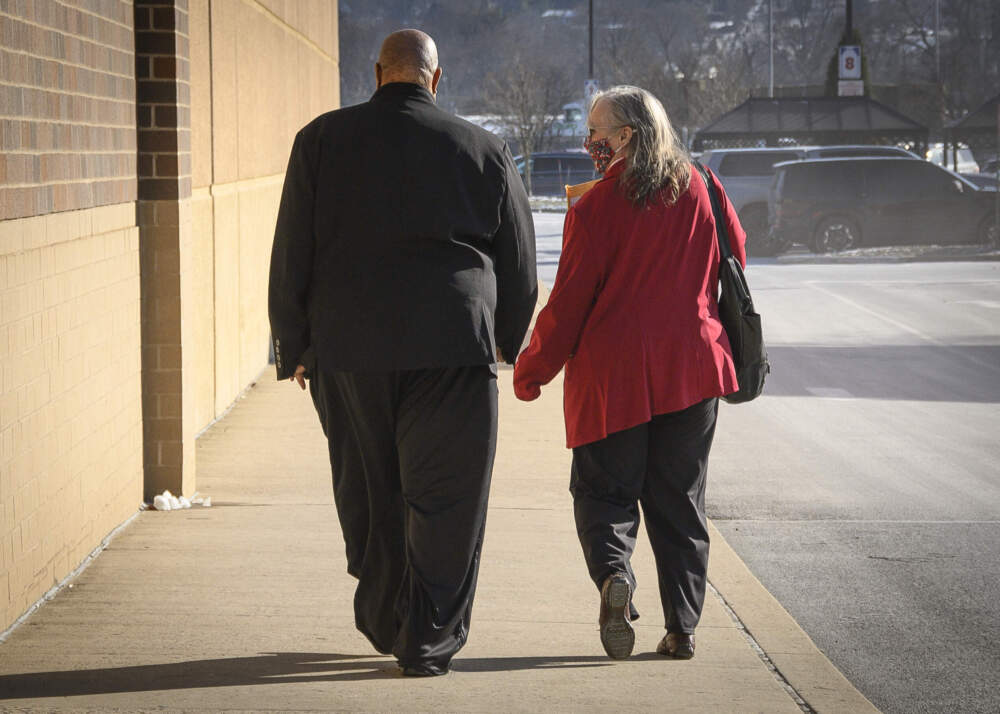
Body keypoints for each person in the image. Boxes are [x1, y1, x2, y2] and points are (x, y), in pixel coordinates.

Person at [268, 29, 537, 677]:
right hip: (452, 348)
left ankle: (388, 613)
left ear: (376, 73)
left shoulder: (321, 140)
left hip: (348, 348)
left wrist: (294, 345)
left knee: (370, 487)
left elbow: (291, 251)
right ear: (436, 79)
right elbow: (520, 262)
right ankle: (429, 641)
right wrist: (505, 338)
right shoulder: (483, 147)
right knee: (447, 498)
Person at [513, 86, 746, 661]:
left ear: (628, 136)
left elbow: (568, 303)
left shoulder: (595, 207)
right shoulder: (705, 188)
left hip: (612, 375)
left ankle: (615, 574)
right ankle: (682, 627)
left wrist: (533, 369)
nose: (589, 142)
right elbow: (735, 253)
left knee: (605, 490)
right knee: (680, 500)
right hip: (692, 367)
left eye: (598, 132)